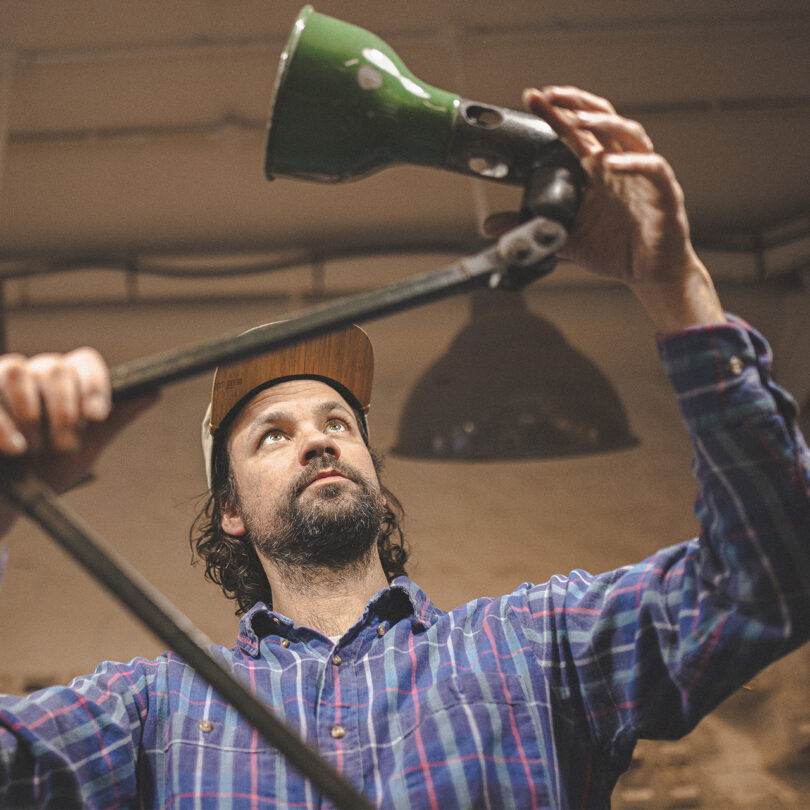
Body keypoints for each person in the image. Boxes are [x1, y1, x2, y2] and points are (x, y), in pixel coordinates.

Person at [0, 86, 808, 808]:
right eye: (273, 433)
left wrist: (676, 286)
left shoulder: (536, 645)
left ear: (374, 478)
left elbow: (770, 580)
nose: (316, 438)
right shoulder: (158, 708)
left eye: (336, 422)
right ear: (231, 512)